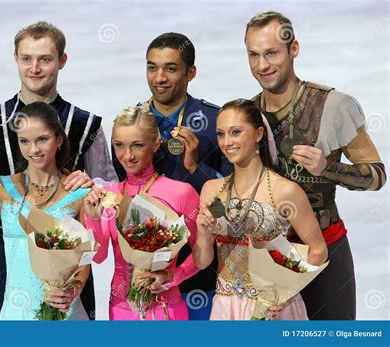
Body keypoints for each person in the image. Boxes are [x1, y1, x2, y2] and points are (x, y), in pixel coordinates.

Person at [0, 21, 117, 320]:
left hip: (71, 258)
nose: (35, 68)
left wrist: (93, 185)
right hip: (9, 251)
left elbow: (110, 196)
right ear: (16, 59)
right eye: (27, 58)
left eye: (45, 59)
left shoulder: (85, 124)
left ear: (62, 61)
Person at [244, 11, 386, 319]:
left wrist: (328, 169)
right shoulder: (247, 114)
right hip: (267, 257)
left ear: (293, 49)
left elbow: (377, 175)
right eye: (253, 55)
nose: (262, 65)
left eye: (271, 53)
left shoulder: (334, 105)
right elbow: (230, 189)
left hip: (326, 253)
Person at [112, 32, 232, 319]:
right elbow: (122, 193)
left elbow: (231, 199)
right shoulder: (130, 125)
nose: (159, 77)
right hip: (143, 279)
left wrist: (196, 170)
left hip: (202, 272)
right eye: (152, 67)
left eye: (171, 68)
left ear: (191, 72)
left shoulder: (214, 122)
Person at [0, 102, 92, 320]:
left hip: (66, 314)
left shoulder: (78, 192)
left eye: (42, 139)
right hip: (15, 315)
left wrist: (74, 288)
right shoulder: (2, 187)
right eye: (25, 141)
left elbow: (86, 254)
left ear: (59, 139)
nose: (33, 150)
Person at [193, 99, 328, 320]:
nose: (227, 142)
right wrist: (204, 233)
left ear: (258, 134)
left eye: (236, 132)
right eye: (220, 134)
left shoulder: (285, 191)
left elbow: (318, 249)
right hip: (226, 307)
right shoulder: (211, 189)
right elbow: (202, 262)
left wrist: (285, 292)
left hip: (275, 309)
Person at [84, 106, 201, 320]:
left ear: (156, 144)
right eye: (119, 145)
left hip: (167, 309)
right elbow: (99, 257)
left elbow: (202, 253)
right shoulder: (107, 195)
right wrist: (92, 218)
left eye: (137, 145)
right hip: (120, 310)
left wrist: (173, 276)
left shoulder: (181, 193)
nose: (127, 156)